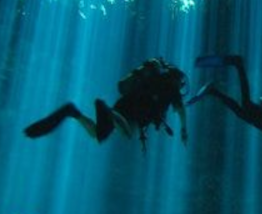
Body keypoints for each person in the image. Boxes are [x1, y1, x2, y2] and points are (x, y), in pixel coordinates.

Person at [23, 57, 188, 150]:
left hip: (123, 105)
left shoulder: (156, 82)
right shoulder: (171, 89)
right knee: (127, 133)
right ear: (177, 80)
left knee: (98, 135)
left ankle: (73, 112)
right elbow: (180, 110)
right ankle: (109, 112)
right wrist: (184, 129)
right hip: (133, 111)